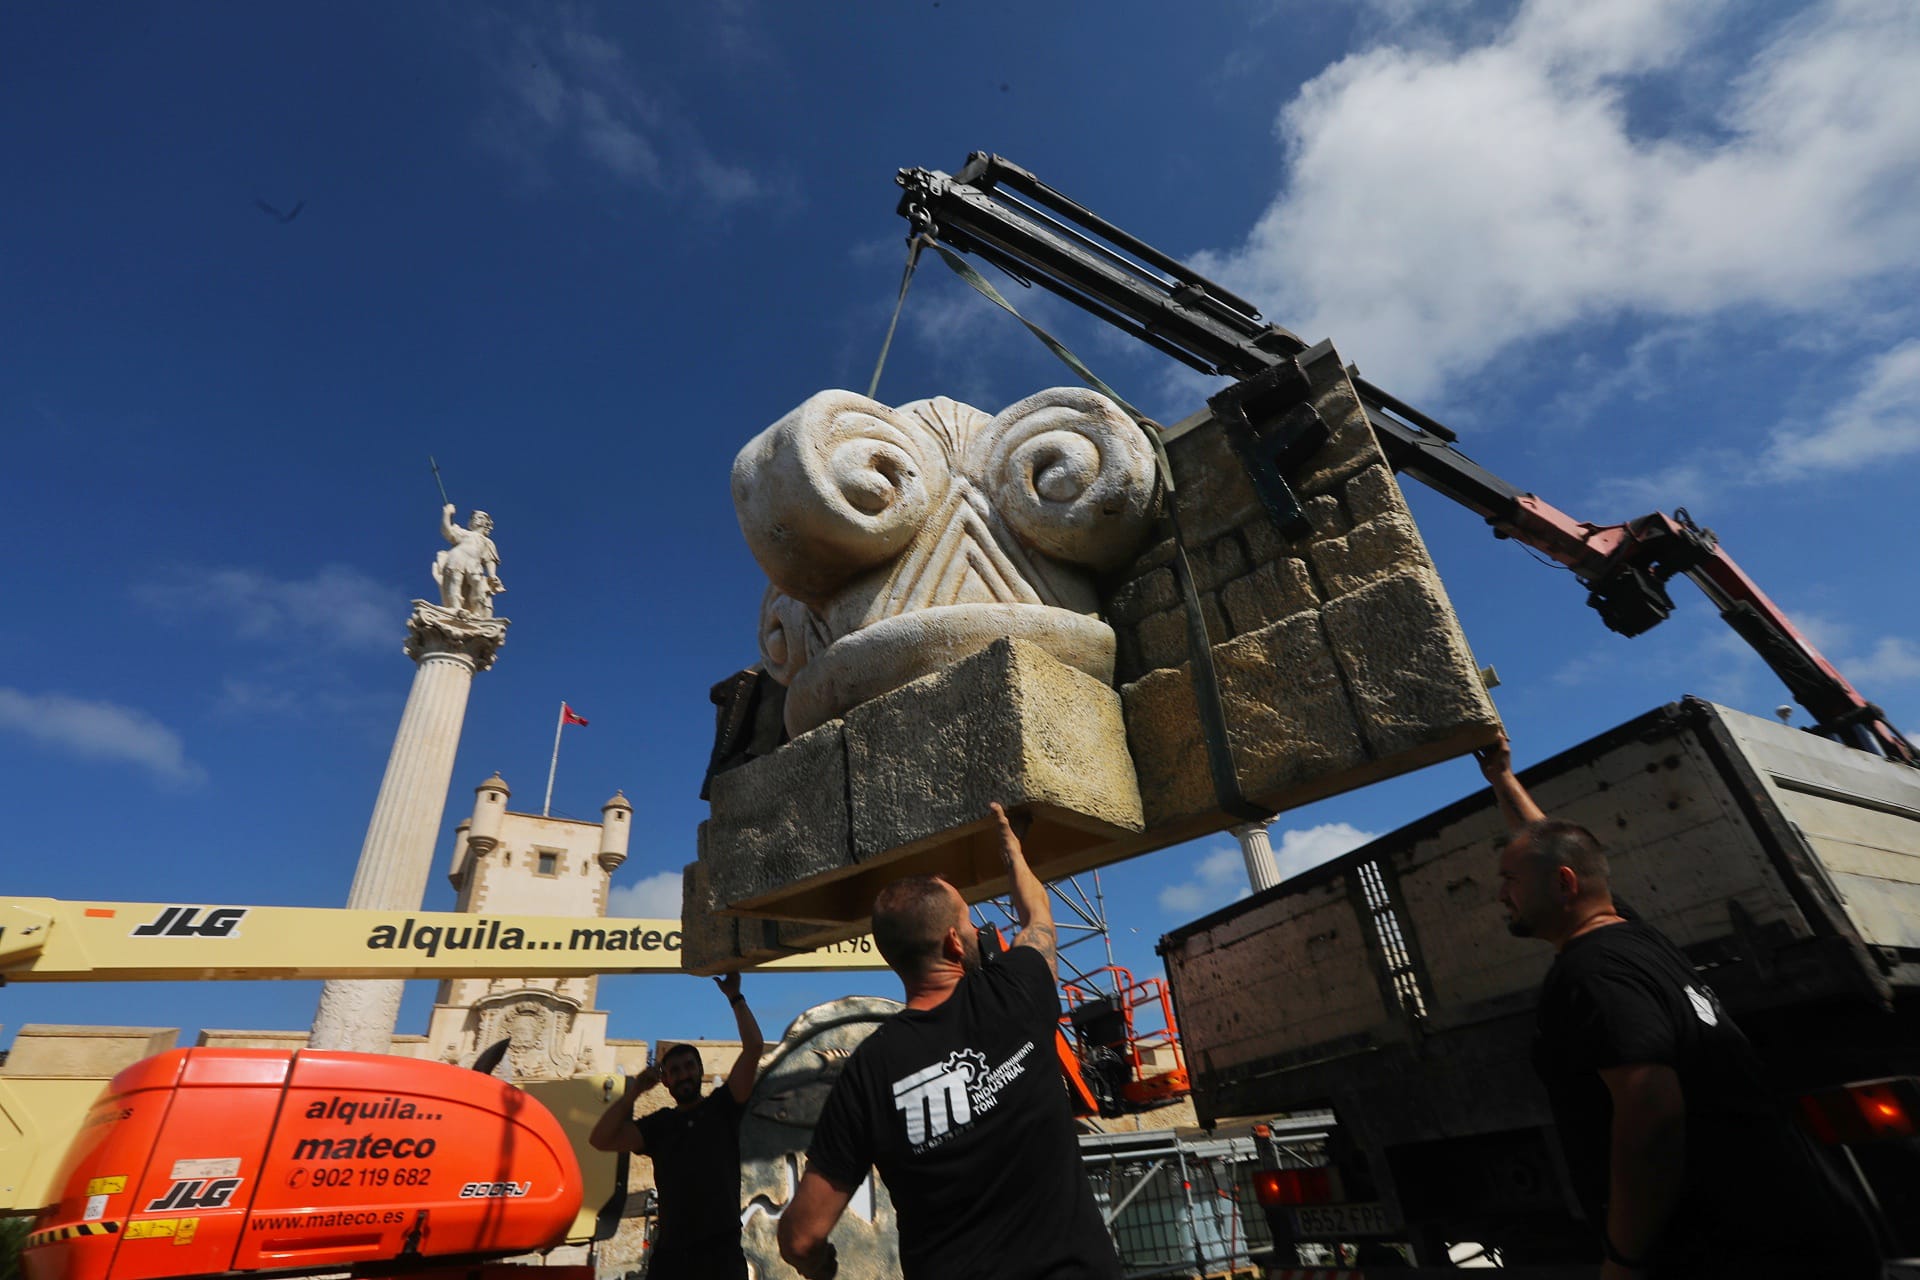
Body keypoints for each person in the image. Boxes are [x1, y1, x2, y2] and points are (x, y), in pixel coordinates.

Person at [1477, 734, 1878, 1279]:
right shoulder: (1638, 939)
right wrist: (1503, 778)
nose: (1502, 895)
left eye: (1509, 881)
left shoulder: (1593, 975)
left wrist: (1624, 1258)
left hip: (1735, 1254)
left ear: (1563, 886)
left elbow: (1652, 1114)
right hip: (1804, 1233)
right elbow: (1556, 850)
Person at [778, 803, 1122, 1280]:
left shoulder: (868, 1072)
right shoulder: (1014, 991)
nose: (977, 931)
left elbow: (798, 1238)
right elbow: (1038, 916)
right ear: (955, 945)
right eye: (968, 923)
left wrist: (819, 1267)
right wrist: (1010, 852)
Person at [589, 973, 763, 1280]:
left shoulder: (723, 1107)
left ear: (700, 1072)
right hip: (672, 1258)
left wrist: (735, 997)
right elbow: (601, 1139)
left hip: (721, 1256)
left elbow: (753, 1048)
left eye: (688, 1067)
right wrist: (633, 1092)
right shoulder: (660, 1125)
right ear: (665, 1080)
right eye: (674, 1070)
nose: (683, 1075)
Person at [434, 503, 503, 617]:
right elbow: (448, 531)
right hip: (456, 558)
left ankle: (477, 611)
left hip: (473, 563)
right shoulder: (464, 533)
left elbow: (490, 559)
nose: (474, 519)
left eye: (479, 517)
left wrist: (492, 575)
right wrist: (447, 514)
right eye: (474, 517)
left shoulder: (487, 542)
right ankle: (455, 607)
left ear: (486, 524)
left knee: (477, 584)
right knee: (455, 581)